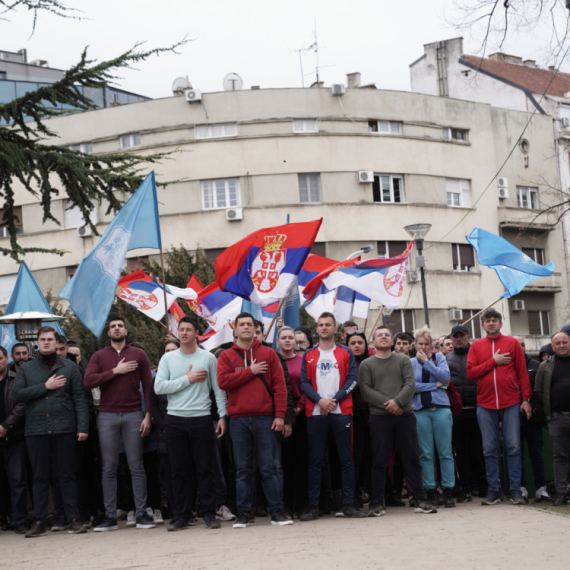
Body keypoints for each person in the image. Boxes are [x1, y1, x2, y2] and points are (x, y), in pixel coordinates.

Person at [217, 312, 292, 528]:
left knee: (268, 467)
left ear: (254, 328)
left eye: (250, 324)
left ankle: (276, 512)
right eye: (242, 325)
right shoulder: (225, 356)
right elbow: (223, 382)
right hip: (238, 420)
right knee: (242, 469)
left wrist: (279, 416)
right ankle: (243, 514)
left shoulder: (269, 354)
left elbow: (280, 387)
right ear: (236, 329)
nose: (246, 328)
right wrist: (250, 371)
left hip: (265, 418)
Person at [12, 326, 88, 537]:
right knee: (39, 477)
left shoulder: (69, 368)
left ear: (56, 343)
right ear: (37, 343)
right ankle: (39, 520)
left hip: (65, 428)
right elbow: (17, 394)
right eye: (42, 339)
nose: (46, 342)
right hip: (36, 431)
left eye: (50, 339)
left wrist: (82, 427)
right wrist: (45, 386)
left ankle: (73, 519)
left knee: (67, 474)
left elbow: (80, 399)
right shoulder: (27, 369)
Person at [155, 315, 227, 531]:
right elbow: (159, 388)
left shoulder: (208, 358)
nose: (184, 333)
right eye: (181, 329)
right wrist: (188, 379)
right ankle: (182, 515)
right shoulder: (168, 359)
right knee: (179, 470)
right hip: (175, 420)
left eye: (188, 329)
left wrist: (223, 416)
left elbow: (218, 389)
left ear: (197, 333)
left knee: (205, 469)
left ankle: (208, 513)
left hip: (202, 419)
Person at [84, 316, 155, 531]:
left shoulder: (138, 354)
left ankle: (142, 513)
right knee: (108, 468)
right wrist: (115, 371)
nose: (117, 329)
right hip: (107, 416)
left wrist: (148, 415)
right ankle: (110, 516)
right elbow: (88, 381)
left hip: (134, 414)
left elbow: (148, 386)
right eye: (113, 326)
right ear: (108, 333)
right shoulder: (99, 356)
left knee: (136, 465)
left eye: (120, 326)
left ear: (126, 330)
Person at [359, 326, 436, 516]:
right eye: (380, 335)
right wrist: (389, 404)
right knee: (379, 460)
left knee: (412, 457)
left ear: (392, 342)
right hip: (379, 417)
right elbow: (366, 391)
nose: (384, 337)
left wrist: (398, 402)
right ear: (373, 341)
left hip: (404, 415)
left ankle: (420, 499)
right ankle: (378, 502)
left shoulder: (403, 360)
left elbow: (410, 384)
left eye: (387, 335)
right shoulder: (366, 365)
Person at [299, 312, 364, 521]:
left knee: (347, 460)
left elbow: (353, 380)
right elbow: (304, 383)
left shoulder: (345, 352)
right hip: (316, 413)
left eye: (328, 324)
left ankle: (348, 504)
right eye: (321, 325)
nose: (324, 328)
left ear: (335, 329)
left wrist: (334, 400)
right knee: (315, 461)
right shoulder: (308, 355)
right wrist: (320, 400)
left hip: (341, 412)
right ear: (316, 329)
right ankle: (313, 505)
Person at [466, 308, 532, 505]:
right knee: (489, 449)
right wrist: (493, 361)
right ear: (482, 325)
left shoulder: (511, 343)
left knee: (513, 446)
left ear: (501, 324)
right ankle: (493, 490)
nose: (492, 323)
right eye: (488, 320)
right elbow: (471, 373)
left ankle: (515, 489)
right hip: (485, 404)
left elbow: (522, 373)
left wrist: (526, 399)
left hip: (510, 402)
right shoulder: (476, 346)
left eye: (495, 320)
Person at [411, 326, 455, 508]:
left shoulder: (439, 358)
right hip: (420, 410)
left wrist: (428, 363)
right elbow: (411, 386)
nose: (423, 347)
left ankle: (449, 490)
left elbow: (445, 377)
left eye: (426, 344)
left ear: (431, 345)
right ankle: (430, 489)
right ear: (415, 345)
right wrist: (434, 385)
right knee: (426, 454)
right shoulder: (410, 362)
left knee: (446, 452)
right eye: (420, 344)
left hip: (441, 409)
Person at [446, 325, 486, 502]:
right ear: (452, 338)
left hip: (478, 408)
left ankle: (483, 485)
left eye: (462, 336)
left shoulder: (477, 354)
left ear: (468, 336)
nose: (459, 339)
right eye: (456, 336)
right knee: (460, 452)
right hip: (457, 412)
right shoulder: (446, 359)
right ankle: (465, 487)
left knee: (479, 450)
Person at [535, 331, 570, 505]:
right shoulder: (545, 366)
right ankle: (562, 493)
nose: (562, 345)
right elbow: (539, 391)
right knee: (559, 457)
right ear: (552, 346)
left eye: (565, 342)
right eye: (558, 343)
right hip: (557, 417)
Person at [514, 336, 550, 503]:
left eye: (522, 344)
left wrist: (532, 406)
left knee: (536, 453)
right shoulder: (507, 366)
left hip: (533, 417)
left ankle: (540, 488)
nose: (520, 347)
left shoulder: (536, 366)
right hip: (512, 418)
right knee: (517, 453)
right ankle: (520, 487)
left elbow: (541, 392)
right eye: (516, 345)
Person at [277, 326, 309, 516]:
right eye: (284, 338)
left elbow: (308, 385)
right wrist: (286, 413)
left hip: (302, 415)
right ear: (278, 341)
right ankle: (286, 503)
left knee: (302, 461)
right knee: (284, 463)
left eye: (291, 338)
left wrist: (299, 408)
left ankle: (302, 503)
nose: (288, 341)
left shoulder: (303, 360)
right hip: (282, 417)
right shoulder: (274, 361)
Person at [0, 345, 29, 534]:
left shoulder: (16, 379)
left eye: (0, 358)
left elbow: (22, 404)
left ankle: (21, 521)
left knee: (18, 480)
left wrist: (6, 425)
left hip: (14, 437)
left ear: (6, 359)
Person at [346, 330, 373, 508]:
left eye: (360, 342)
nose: (356, 345)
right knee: (356, 456)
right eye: (352, 343)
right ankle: (354, 494)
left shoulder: (372, 363)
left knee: (373, 456)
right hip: (352, 415)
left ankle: (374, 494)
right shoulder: (345, 363)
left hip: (373, 413)